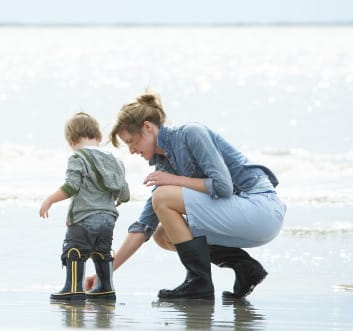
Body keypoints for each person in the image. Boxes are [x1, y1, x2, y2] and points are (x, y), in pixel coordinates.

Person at [84, 92, 286, 300]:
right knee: (162, 235)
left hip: (261, 208)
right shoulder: (166, 166)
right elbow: (143, 227)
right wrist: (103, 274)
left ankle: (200, 283)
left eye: (131, 141)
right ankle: (244, 267)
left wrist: (174, 180)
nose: (132, 150)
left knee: (162, 198)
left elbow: (223, 187)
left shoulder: (191, 133)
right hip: (243, 219)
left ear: (148, 127)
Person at [40, 112, 131, 301]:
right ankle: (105, 287)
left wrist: (50, 199)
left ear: (71, 141)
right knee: (102, 251)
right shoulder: (116, 161)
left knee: (75, 250)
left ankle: (73, 287)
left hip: (84, 217)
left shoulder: (77, 158)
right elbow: (125, 194)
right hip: (108, 219)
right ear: (99, 137)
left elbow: (71, 186)